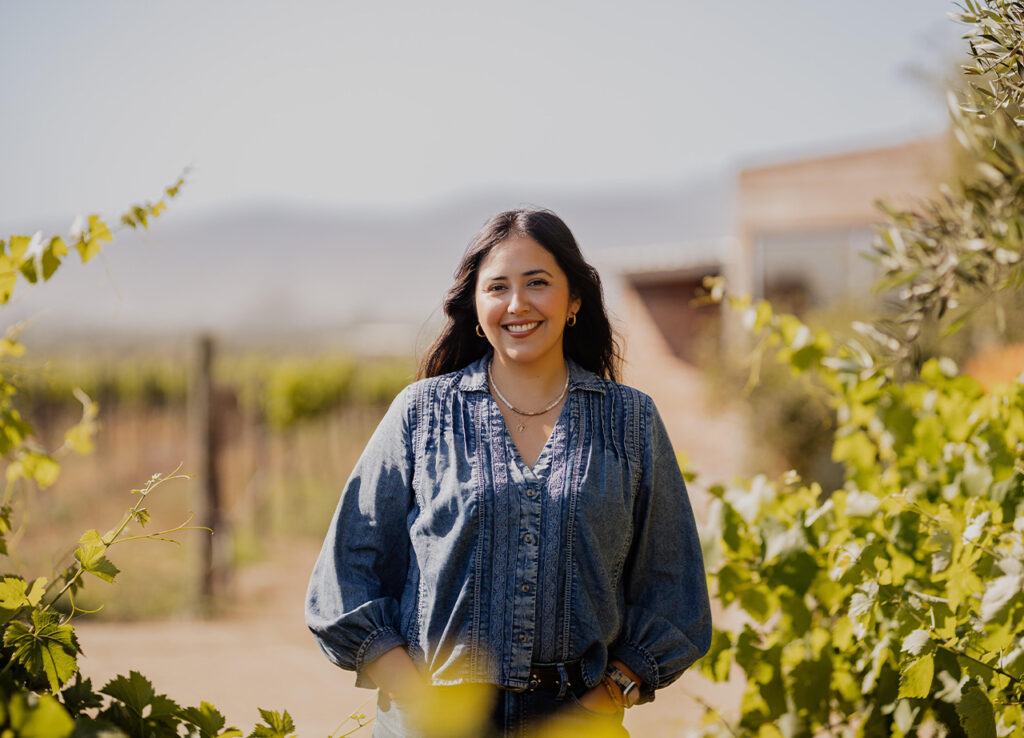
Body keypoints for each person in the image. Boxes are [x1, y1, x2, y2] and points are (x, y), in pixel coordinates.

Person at [306, 209, 711, 737]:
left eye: (538, 283)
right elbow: (345, 576)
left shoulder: (630, 421)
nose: (517, 304)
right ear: (476, 308)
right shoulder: (422, 413)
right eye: (497, 287)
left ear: (574, 301)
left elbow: (675, 590)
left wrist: (609, 694)